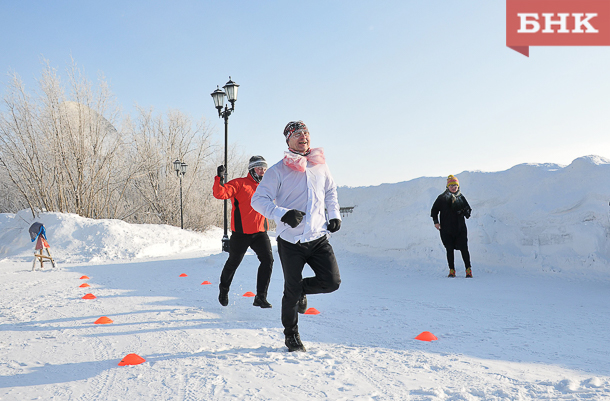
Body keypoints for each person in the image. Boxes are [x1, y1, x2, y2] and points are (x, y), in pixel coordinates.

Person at [251, 120, 342, 352]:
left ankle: (300, 289)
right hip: (291, 240)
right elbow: (258, 200)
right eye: (298, 133)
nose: (304, 136)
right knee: (290, 290)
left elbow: (330, 191)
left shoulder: (320, 165)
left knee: (331, 282)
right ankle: (291, 335)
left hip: (318, 236)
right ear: (288, 140)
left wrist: (334, 214)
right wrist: (282, 214)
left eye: (306, 132)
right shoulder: (277, 171)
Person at [213, 156, 274, 308]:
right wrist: (219, 178)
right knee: (233, 262)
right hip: (241, 234)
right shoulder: (239, 183)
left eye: (264, 169)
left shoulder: (267, 186)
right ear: (252, 169)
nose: (262, 172)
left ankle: (260, 297)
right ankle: (224, 290)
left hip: (260, 233)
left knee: (268, 260)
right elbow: (220, 194)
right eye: (259, 168)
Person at [431, 175, 473, 278]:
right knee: (449, 249)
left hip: (460, 228)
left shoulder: (461, 198)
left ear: (458, 186)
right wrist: (436, 222)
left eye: (455, 185)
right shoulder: (442, 198)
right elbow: (434, 210)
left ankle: (468, 270)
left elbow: (468, 210)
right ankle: (452, 270)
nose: (453, 187)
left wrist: (465, 211)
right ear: (447, 187)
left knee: (464, 248)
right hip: (446, 229)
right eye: (451, 185)